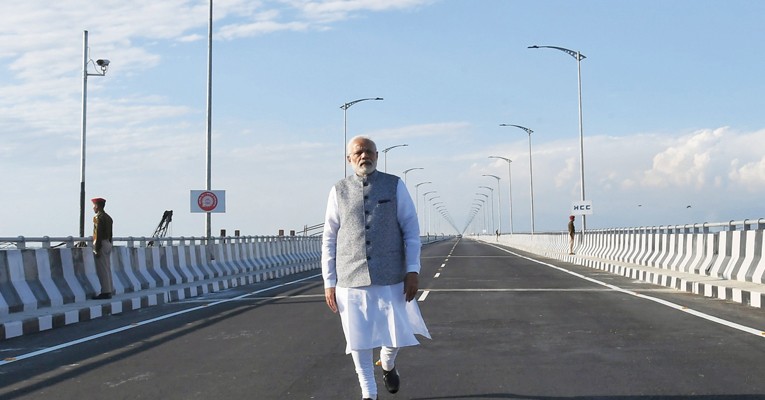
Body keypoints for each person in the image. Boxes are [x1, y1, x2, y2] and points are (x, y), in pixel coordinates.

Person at [322, 136, 431, 400]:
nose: (364, 156)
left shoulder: (395, 185)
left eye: (369, 151)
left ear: (377, 155)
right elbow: (329, 237)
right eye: (358, 152)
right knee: (357, 339)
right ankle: (368, 393)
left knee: (396, 333)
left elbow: (411, 230)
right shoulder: (338, 190)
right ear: (349, 159)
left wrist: (413, 270)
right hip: (350, 277)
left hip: (391, 274)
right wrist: (329, 281)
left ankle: (387, 362)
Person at [91, 197, 114, 300]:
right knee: (107, 268)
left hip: (102, 243)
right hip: (108, 243)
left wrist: (96, 248)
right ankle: (109, 290)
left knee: (102, 270)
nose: (93, 208)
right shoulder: (108, 217)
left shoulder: (98, 217)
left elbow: (97, 234)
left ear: (97, 206)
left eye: (93, 206)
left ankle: (105, 292)